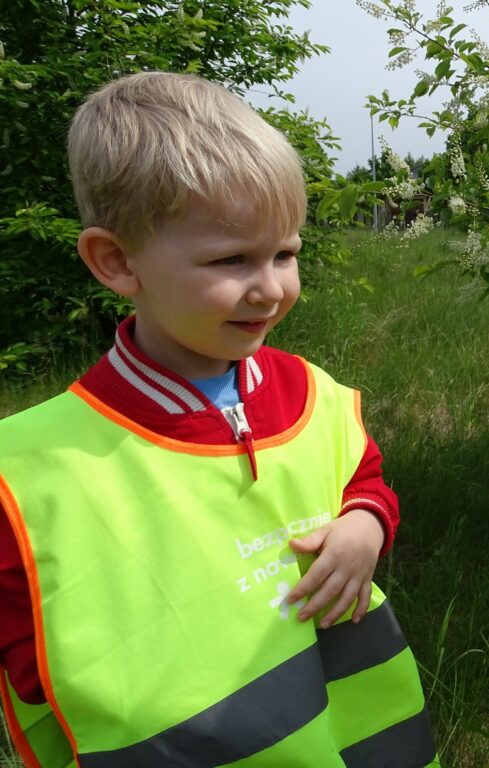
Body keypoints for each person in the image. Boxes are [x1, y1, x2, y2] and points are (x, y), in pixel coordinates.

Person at [0, 72, 437, 767]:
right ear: (116, 261)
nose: (270, 288)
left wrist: (366, 525)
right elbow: (31, 648)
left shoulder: (312, 392)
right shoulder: (27, 470)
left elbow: (365, 478)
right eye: (231, 260)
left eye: (286, 253)